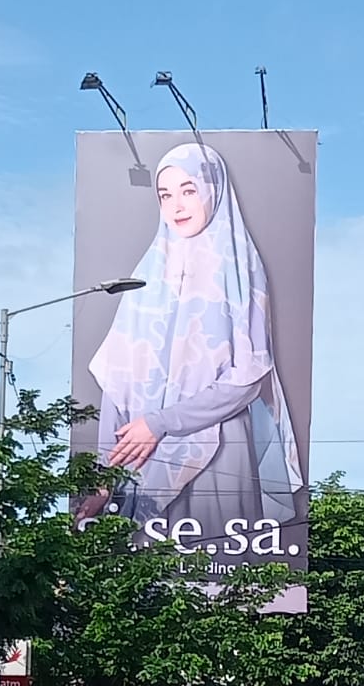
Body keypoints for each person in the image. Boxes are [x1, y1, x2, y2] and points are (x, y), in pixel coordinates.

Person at [74, 142, 304, 561]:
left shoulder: (239, 269)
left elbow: (248, 378)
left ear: (213, 189)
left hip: (217, 454)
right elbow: (118, 379)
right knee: (142, 593)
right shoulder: (147, 274)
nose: (177, 205)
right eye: (165, 194)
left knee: (218, 589)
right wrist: (103, 481)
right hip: (142, 460)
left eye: (188, 190)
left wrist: (162, 422)